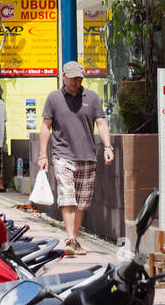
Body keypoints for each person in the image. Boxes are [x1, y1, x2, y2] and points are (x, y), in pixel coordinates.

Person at [38, 61, 114, 256]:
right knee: (67, 196)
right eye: (72, 78)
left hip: (87, 156)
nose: (75, 81)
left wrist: (107, 146)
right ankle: (71, 239)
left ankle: (74, 239)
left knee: (81, 202)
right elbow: (46, 127)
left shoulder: (93, 98)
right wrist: (42, 154)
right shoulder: (54, 98)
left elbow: (102, 124)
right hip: (62, 155)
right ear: (63, 76)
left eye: (79, 78)